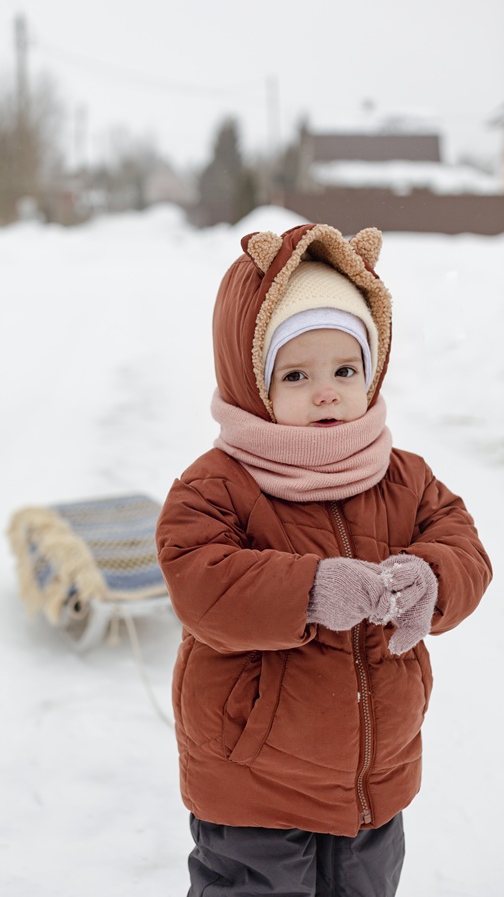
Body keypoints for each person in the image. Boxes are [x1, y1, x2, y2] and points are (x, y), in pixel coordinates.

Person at [155, 222, 492, 897]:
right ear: (253, 381)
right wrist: (308, 590)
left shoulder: (402, 475)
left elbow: (463, 543)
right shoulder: (216, 486)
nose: (327, 391)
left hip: (375, 779)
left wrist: (432, 576)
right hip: (254, 790)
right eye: (297, 374)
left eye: (345, 369)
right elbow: (202, 582)